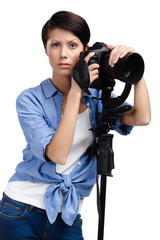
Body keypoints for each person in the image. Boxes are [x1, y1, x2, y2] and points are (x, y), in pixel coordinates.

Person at [0, 10, 151, 240]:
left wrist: (134, 71)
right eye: (55, 45)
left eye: (72, 45)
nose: (63, 54)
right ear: (45, 50)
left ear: (85, 50)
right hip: (21, 210)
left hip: (67, 216)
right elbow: (57, 154)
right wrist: (75, 91)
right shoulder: (29, 99)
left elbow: (141, 118)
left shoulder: (97, 98)